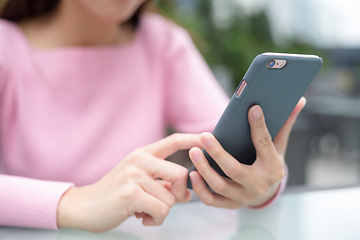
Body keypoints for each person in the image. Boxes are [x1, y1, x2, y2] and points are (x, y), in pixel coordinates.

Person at [0, 0, 306, 233]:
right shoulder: (7, 47)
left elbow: (225, 146)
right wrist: (76, 203)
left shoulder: (161, 43)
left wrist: (259, 185)